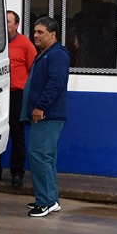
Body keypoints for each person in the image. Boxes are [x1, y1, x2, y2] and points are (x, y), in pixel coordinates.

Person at [23, 16, 69, 218]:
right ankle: (50, 199)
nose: (36, 35)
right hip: (45, 116)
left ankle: (46, 202)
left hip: (47, 116)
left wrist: (40, 106)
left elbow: (55, 83)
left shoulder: (57, 55)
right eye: (35, 32)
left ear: (53, 34)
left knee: (39, 157)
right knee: (46, 158)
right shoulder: (45, 54)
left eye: (41, 32)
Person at [4, 10, 37, 188]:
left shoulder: (25, 44)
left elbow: (33, 70)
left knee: (17, 133)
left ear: (16, 24)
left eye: (9, 21)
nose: (5, 23)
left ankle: (17, 173)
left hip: (17, 94)